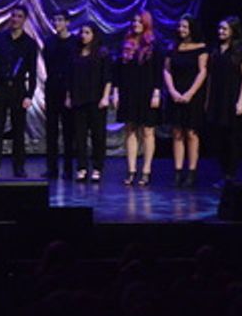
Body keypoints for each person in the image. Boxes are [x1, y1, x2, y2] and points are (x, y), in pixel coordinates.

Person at [0, 5, 39, 177]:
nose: (15, 19)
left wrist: (29, 95)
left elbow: (32, 72)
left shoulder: (30, 44)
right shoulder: (0, 38)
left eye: (19, 16)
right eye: (13, 15)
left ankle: (19, 166)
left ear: (25, 19)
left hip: (18, 89)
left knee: (18, 130)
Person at [112, 11, 161, 186]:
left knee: (148, 132)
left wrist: (157, 92)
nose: (135, 24)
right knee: (130, 129)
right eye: (133, 21)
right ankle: (131, 170)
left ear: (146, 23)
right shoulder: (125, 44)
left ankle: (146, 171)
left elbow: (158, 72)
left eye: (139, 21)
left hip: (147, 93)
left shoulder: (154, 46)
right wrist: (115, 92)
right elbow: (117, 71)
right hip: (128, 92)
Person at [205, 17, 242, 186]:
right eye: (219, 29)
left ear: (233, 31)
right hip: (218, 98)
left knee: (233, 138)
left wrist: (241, 101)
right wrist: (208, 99)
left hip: (232, 98)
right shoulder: (216, 50)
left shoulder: (240, 50)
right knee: (219, 138)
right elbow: (210, 76)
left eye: (224, 29)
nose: (221, 32)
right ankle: (224, 172)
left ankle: (231, 174)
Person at [163, 14, 208, 188]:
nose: (181, 30)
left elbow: (202, 72)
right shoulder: (173, 47)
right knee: (177, 133)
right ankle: (178, 170)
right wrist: (172, 91)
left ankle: (192, 171)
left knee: (191, 133)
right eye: (180, 26)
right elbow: (166, 71)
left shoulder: (201, 48)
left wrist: (190, 93)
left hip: (193, 95)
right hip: (176, 93)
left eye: (185, 27)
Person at [70, 21, 111, 182]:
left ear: (94, 35)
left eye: (87, 33)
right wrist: (69, 96)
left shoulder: (102, 53)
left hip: (97, 99)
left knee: (98, 135)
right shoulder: (76, 53)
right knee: (80, 136)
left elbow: (108, 77)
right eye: (82, 32)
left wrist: (106, 96)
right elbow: (70, 77)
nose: (83, 36)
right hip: (79, 99)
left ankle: (97, 167)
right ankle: (81, 167)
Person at [41, 9, 75, 179]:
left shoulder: (75, 42)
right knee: (51, 131)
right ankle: (52, 168)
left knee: (69, 131)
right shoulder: (49, 42)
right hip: (53, 87)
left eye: (60, 20)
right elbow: (48, 65)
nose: (57, 23)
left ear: (67, 22)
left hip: (69, 89)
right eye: (55, 20)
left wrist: (70, 92)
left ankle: (69, 168)